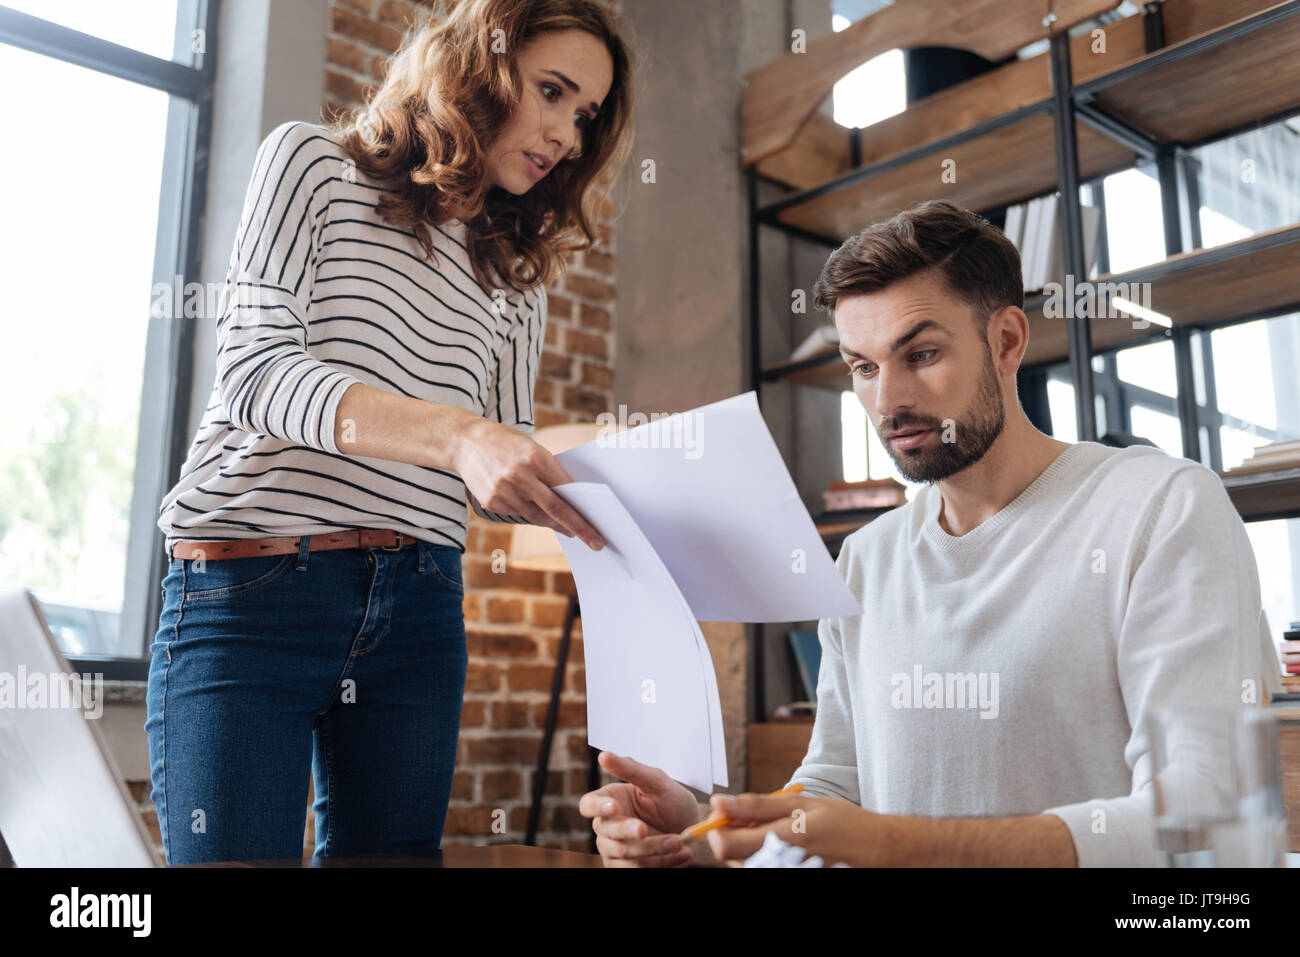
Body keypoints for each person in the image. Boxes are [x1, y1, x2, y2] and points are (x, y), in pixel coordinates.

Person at [581, 200, 1266, 867]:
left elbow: (1203, 806)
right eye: (863, 367)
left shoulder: (1160, 506)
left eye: (922, 353)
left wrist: (891, 845)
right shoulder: (865, 559)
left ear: (1006, 341)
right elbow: (833, 784)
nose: (888, 401)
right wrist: (708, 832)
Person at [146, 0, 634, 864]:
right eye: (552, 91)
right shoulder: (310, 165)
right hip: (251, 594)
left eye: (584, 115)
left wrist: (618, 499)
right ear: (481, 66)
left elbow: (495, 468)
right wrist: (458, 436)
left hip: (418, 605)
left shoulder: (518, 280)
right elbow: (255, 372)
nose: (564, 131)